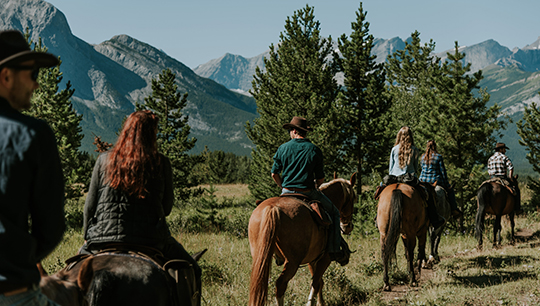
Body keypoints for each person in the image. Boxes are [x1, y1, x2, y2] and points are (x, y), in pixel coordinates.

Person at [80, 110, 201, 305]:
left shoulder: (103, 160)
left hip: (102, 238)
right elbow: (167, 208)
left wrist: (88, 236)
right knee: (193, 269)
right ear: (151, 134)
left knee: (69, 276)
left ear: (126, 131)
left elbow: (89, 207)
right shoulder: (161, 162)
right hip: (150, 239)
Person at [0, 30, 65, 305]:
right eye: (33, 74)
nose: (36, 85)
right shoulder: (34, 135)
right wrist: (18, 258)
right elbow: (50, 228)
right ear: (6, 76)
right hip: (13, 293)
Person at [271, 116, 349, 265]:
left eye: (290, 130)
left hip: (286, 192)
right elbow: (320, 179)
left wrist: (283, 187)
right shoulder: (314, 150)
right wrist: (315, 184)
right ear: (304, 132)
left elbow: (274, 174)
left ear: (294, 131)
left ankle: (277, 253)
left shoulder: (282, 148)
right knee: (334, 213)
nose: (289, 133)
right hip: (307, 192)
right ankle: (334, 250)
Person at [383, 127, 444, 228]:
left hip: (394, 178)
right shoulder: (414, 150)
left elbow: (390, 168)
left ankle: (378, 217)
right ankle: (435, 219)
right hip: (409, 179)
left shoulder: (394, 149)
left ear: (399, 136)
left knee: (380, 191)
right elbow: (415, 168)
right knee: (427, 194)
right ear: (410, 136)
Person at [419, 140, 463, 218]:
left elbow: (422, 169)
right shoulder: (438, 157)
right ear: (435, 146)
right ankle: (454, 210)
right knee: (450, 192)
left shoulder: (422, 157)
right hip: (434, 182)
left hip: (423, 181)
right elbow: (443, 173)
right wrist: (447, 185)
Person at [487, 142, 521, 213]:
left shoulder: (490, 158)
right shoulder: (504, 157)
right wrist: (510, 178)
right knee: (516, 190)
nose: (505, 151)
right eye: (504, 149)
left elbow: (489, 171)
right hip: (502, 178)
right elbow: (511, 168)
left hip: (492, 178)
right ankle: (517, 208)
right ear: (501, 149)